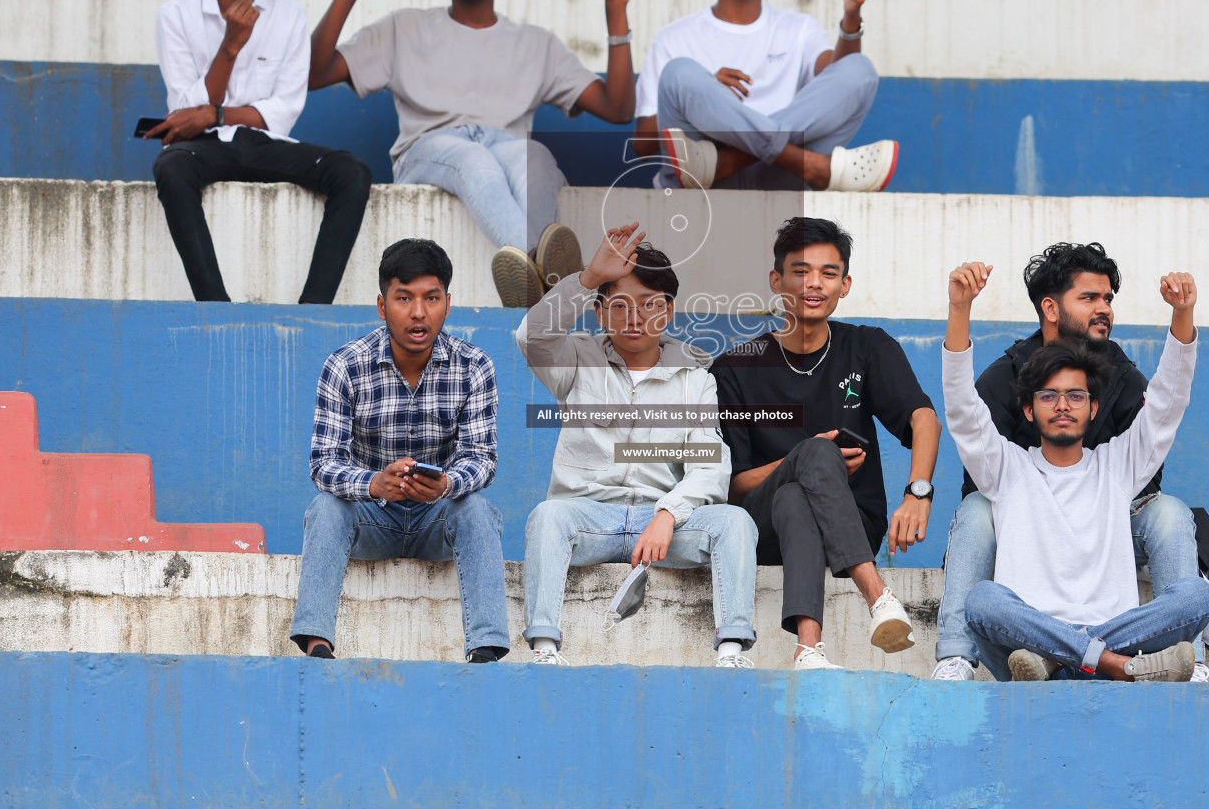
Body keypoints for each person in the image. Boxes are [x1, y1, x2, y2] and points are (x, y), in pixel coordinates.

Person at [308, 0, 639, 308]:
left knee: (536, 157)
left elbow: (618, 109)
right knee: (474, 161)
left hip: (506, 147)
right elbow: (314, 73)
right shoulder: (402, 27)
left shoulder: (537, 44)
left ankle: (536, 284)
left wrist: (616, 11)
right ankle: (554, 276)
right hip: (429, 150)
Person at [931, 243, 1209, 682]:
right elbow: (963, 410)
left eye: (1076, 396)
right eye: (1048, 396)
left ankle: (1067, 655)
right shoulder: (1006, 469)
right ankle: (1114, 664)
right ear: (1028, 410)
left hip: (1041, 662)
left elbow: (1166, 405)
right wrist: (959, 308)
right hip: (1025, 652)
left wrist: (1182, 315)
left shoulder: (1118, 468)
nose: (1063, 405)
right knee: (983, 599)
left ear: (1094, 408)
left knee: (1197, 596)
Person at [516, 223, 759, 667]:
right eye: (620, 305)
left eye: (649, 305)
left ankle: (731, 650)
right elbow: (530, 337)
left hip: (660, 523)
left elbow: (710, 462)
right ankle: (545, 648)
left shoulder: (695, 379)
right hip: (588, 517)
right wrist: (587, 279)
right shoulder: (576, 358)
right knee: (547, 516)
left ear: (667, 311)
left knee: (735, 523)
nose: (635, 317)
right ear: (601, 312)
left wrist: (668, 513)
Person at [710, 217, 941, 669]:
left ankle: (808, 649)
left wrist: (918, 492)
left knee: (800, 493)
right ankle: (878, 596)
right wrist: (804, 458)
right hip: (762, 528)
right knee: (812, 458)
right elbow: (733, 485)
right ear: (777, 281)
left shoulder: (867, 347)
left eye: (828, 273)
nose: (813, 283)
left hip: (853, 524)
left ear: (845, 284)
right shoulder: (736, 367)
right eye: (800, 271)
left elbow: (923, 418)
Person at [288, 238, 508, 662]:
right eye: (403, 298)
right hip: (370, 518)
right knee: (326, 507)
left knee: (478, 509)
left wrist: (446, 484)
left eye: (431, 298)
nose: (418, 312)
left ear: (447, 303)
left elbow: (482, 458)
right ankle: (316, 643)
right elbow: (323, 463)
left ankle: (486, 649)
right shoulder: (345, 365)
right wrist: (373, 483)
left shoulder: (474, 365)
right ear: (381, 305)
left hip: (436, 518)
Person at [150, 0, 372, 303]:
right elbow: (187, 112)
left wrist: (216, 113)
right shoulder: (175, 15)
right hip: (204, 147)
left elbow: (282, 112)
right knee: (171, 167)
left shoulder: (288, 15)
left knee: (351, 172)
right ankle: (214, 306)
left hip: (265, 143)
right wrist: (230, 45)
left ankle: (315, 308)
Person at [631, 0, 897, 193]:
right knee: (680, 73)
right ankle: (815, 167)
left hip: (775, 177)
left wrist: (851, 15)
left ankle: (728, 160)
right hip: (703, 183)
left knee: (860, 69)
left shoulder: (798, 28)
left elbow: (842, 75)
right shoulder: (675, 37)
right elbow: (644, 144)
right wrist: (703, 99)